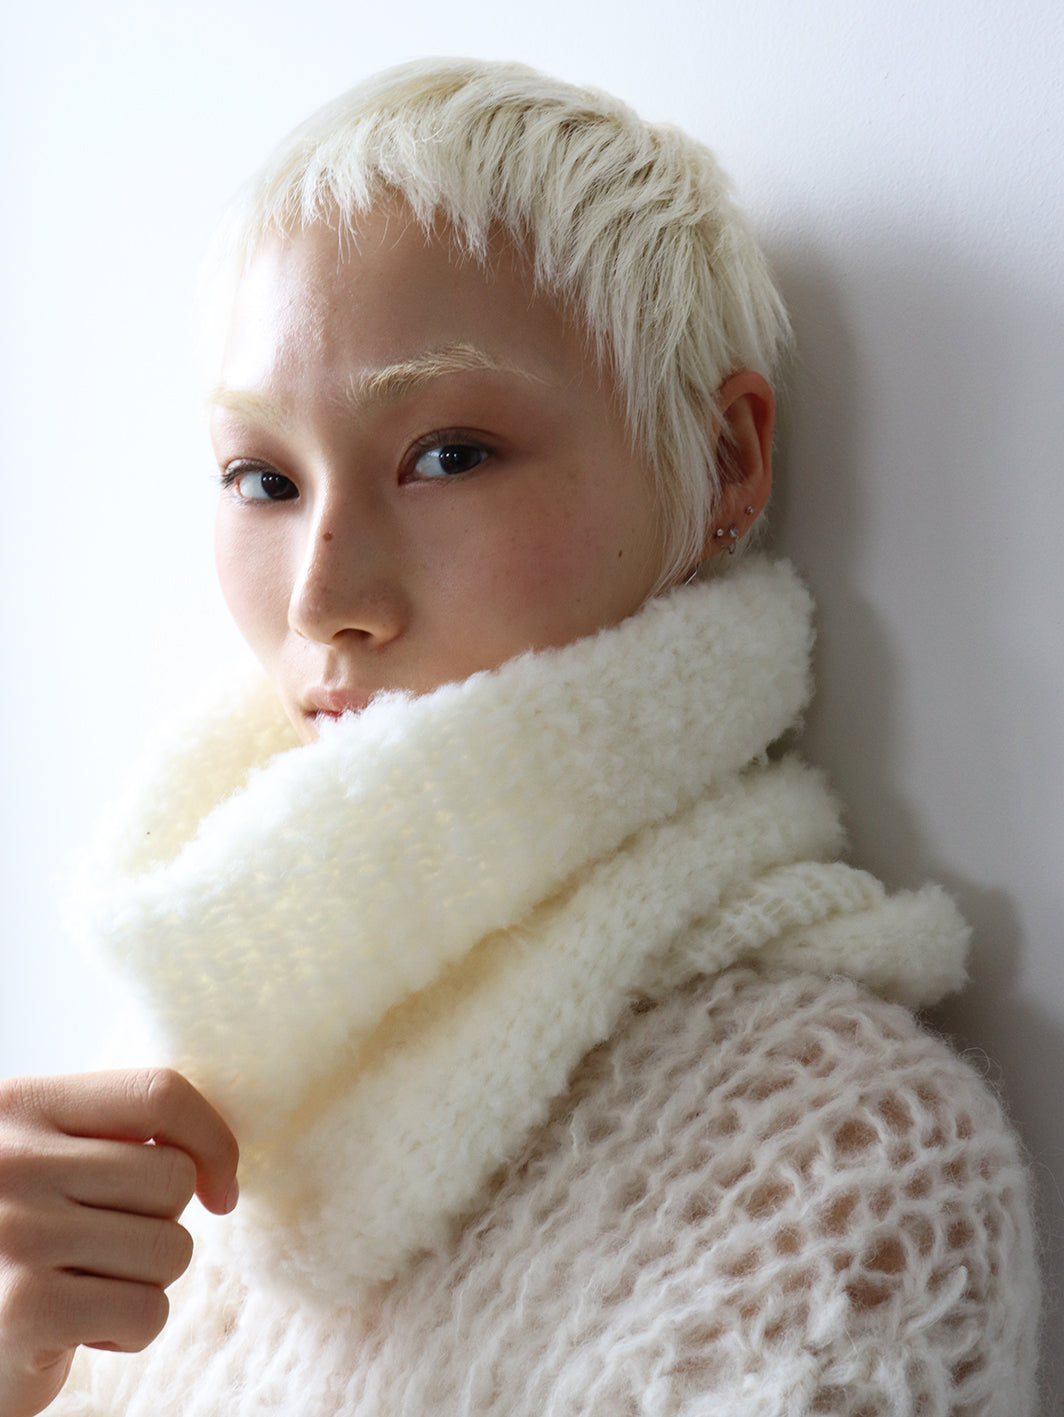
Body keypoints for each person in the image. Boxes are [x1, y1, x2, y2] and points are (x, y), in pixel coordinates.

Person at [0, 58, 1041, 1417]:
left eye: (448, 455)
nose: (322, 596)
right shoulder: (173, 1100)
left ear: (725, 462)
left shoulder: (841, 1173)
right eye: (262, 477)